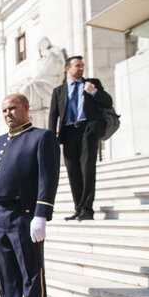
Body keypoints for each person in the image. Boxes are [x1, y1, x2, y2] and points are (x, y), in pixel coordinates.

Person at [0, 94, 60, 297]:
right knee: (6, 272)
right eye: (4, 110)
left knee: (30, 270)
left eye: (12, 108)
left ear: (26, 108)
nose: (8, 114)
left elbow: (48, 178)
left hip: (23, 213)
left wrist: (42, 213)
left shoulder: (41, 137)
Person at [48, 55, 113, 221]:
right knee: (73, 172)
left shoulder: (92, 83)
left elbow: (108, 101)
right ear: (67, 68)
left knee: (87, 169)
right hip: (68, 133)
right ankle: (78, 208)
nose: (81, 68)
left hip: (88, 130)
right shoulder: (59, 91)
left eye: (82, 66)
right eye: (77, 66)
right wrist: (51, 137)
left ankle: (87, 209)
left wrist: (95, 92)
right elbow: (53, 115)